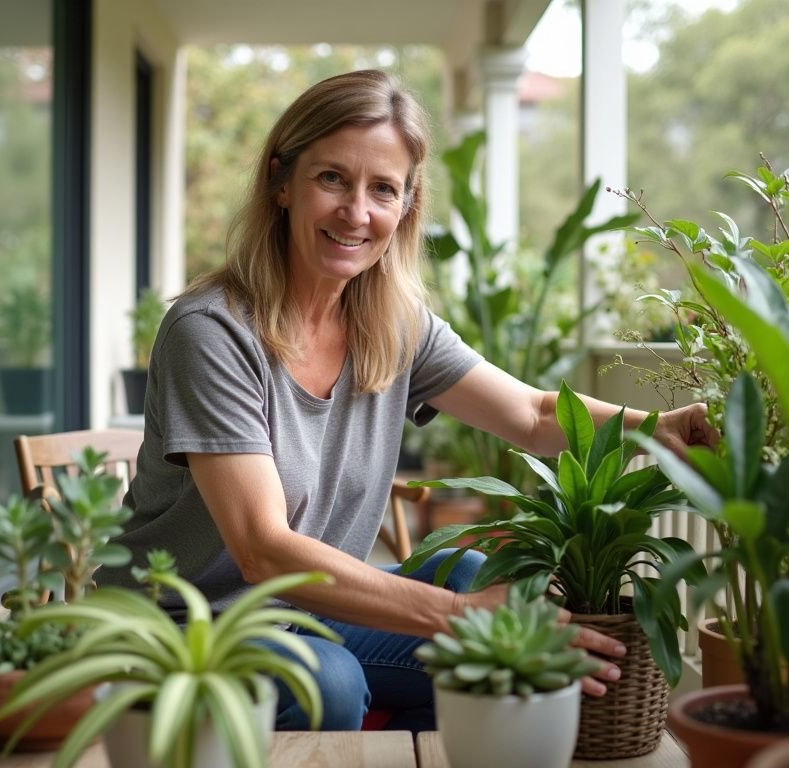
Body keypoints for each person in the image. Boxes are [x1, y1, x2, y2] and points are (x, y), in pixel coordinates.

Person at [109, 69, 717, 732]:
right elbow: (264, 549)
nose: (356, 212)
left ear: (405, 206)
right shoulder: (213, 331)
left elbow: (534, 417)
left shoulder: (394, 325)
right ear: (282, 183)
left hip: (305, 610)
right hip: (189, 628)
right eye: (332, 179)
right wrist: (461, 618)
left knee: (476, 572)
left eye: (382, 189)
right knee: (333, 683)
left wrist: (660, 428)